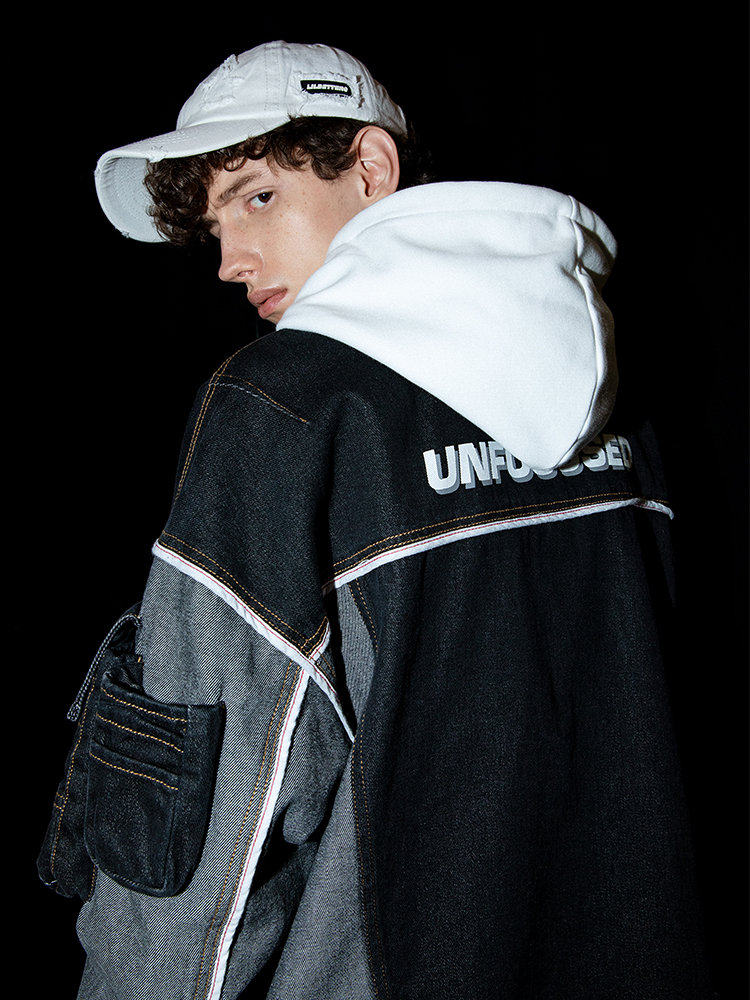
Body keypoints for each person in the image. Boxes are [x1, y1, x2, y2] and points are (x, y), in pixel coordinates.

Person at [38, 40, 716, 1000]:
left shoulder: (285, 404)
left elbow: (196, 847)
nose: (229, 262)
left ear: (371, 167)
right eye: (215, 226)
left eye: (257, 197)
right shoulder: (623, 394)